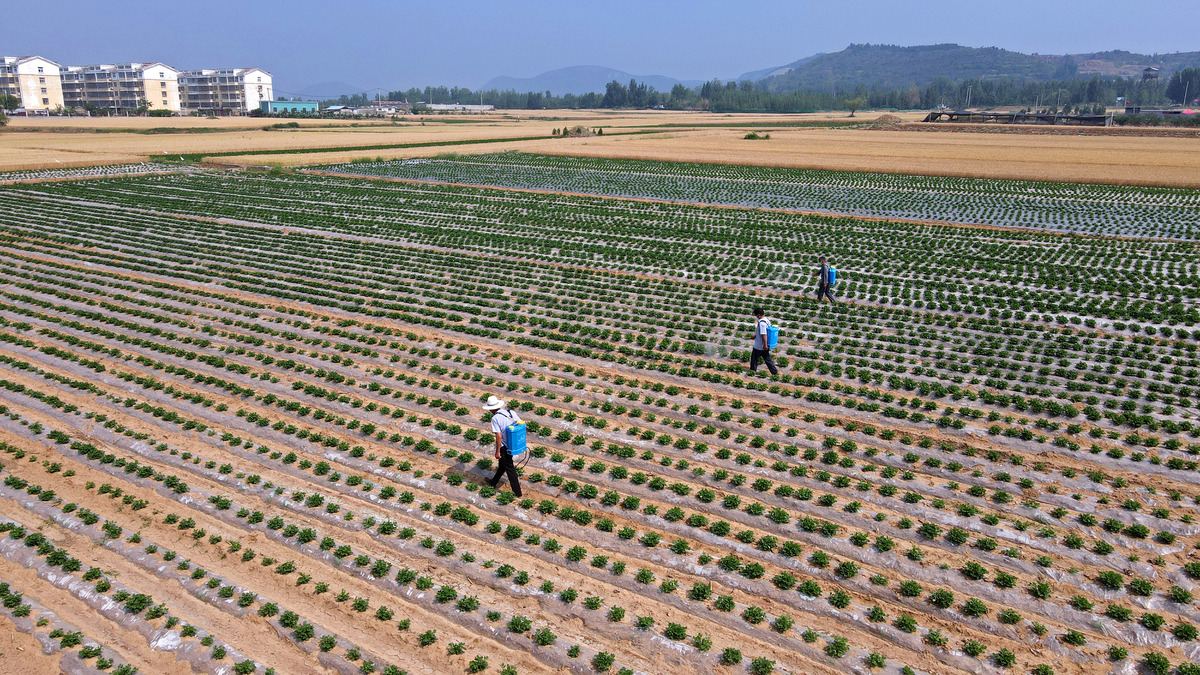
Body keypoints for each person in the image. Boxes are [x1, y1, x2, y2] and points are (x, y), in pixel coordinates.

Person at [483, 395, 523, 497]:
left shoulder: (495, 418)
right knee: (503, 465)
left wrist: (497, 451)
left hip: (505, 446)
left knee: (510, 468)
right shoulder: (510, 412)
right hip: (514, 444)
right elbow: (520, 424)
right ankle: (493, 482)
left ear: (491, 409)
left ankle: (517, 493)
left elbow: (499, 435)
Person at [750, 307, 778, 376]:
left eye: (756, 315)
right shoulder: (767, 320)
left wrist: (764, 345)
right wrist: (755, 336)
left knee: (754, 358)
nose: (756, 317)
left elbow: (764, 334)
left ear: (759, 315)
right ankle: (774, 372)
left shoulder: (762, 323)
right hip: (765, 345)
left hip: (760, 346)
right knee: (767, 359)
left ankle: (752, 371)